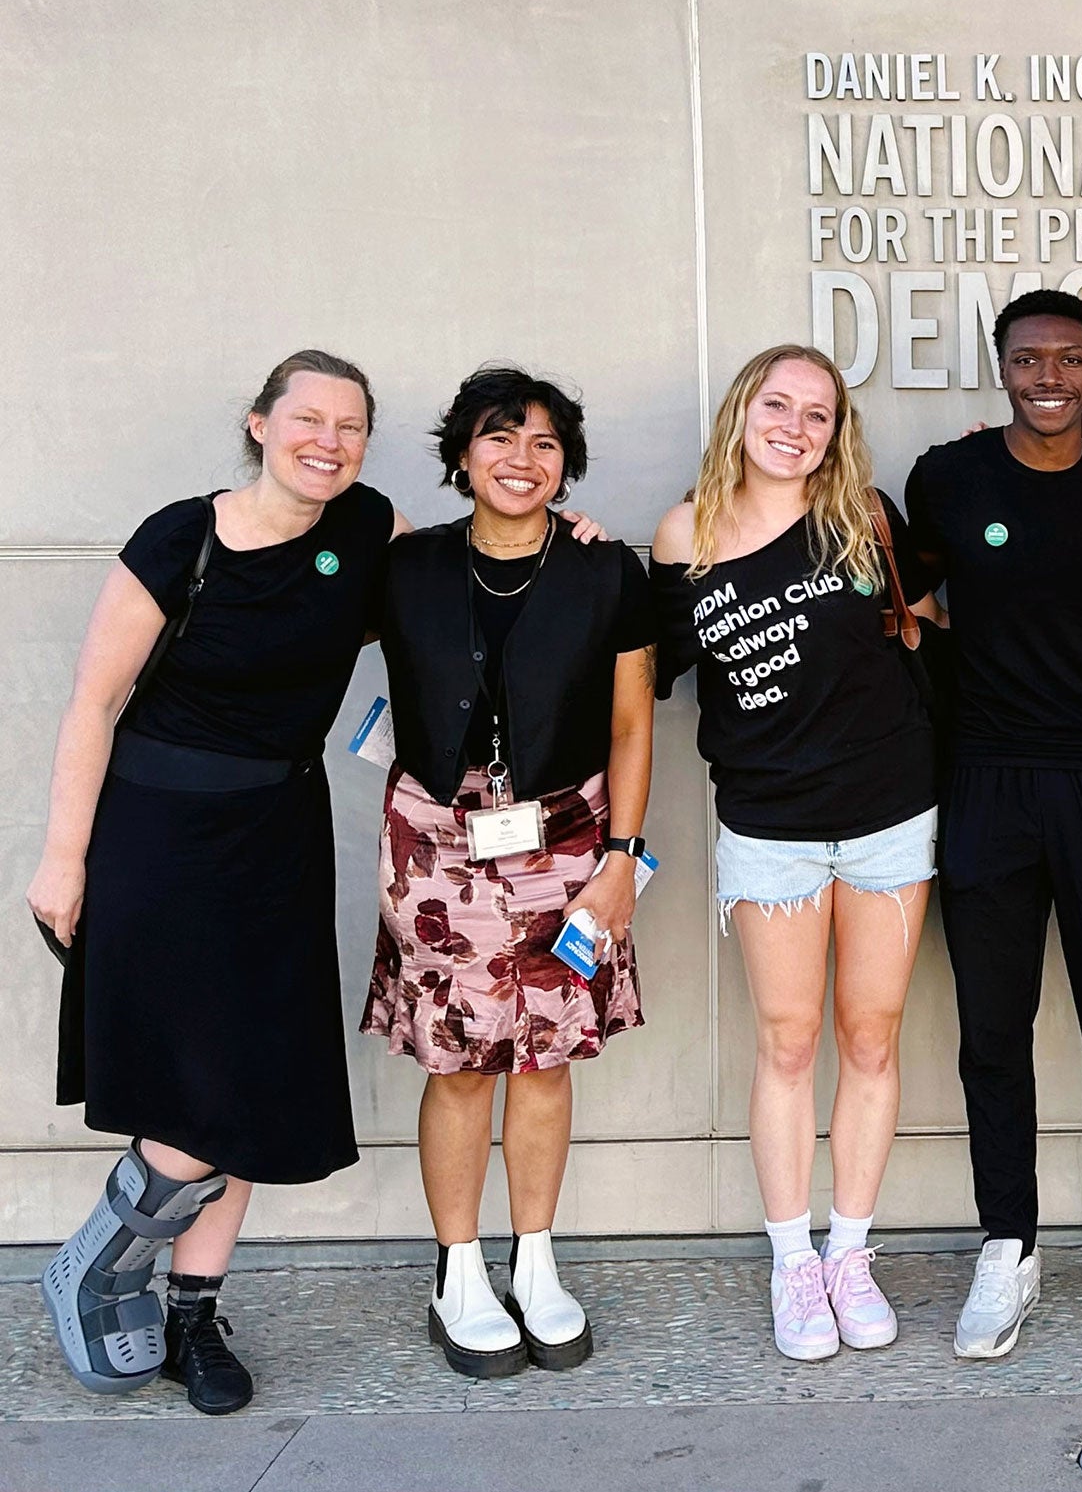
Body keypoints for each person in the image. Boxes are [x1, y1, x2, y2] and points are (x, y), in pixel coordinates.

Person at [32, 351, 399, 1415]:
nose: (327, 440)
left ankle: (193, 1311)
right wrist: (63, 858)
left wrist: (574, 545)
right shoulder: (180, 537)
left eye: (350, 426)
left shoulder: (363, 528)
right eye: (307, 419)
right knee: (194, 1082)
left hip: (275, 831)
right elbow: (94, 702)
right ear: (259, 423)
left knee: (241, 1079)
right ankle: (97, 1266)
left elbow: (454, 574)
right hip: (156, 829)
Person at [364, 367, 657, 1378]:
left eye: (542, 442)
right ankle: (458, 1269)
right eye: (498, 437)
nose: (519, 458)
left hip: (568, 835)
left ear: (564, 463)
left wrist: (621, 857)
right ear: (459, 456)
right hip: (435, 842)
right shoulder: (401, 566)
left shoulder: (608, 569)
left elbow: (631, 721)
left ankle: (535, 1261)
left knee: (542, 1058)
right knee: (458, 1065)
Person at [652, 345, 937, 1362]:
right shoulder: (685, 533)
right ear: (741, 411)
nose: (796, 426)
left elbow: (929, 617)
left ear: (836, 431)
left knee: (870, 1036)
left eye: (818, 413)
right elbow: (642, 664)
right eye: (778, 404)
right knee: (786, 1041)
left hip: (891, 814)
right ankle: (791, 1262)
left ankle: (850, 1252)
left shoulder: (862, 517)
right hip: (767, 823)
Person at [902, 289, 1082, 1359]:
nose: (1047, 376)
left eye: (1067, 359)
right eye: (1028, 360)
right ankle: (1005, 1244)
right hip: (989, 779)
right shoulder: (948, 479)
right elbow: (911, 603)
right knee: (991, 1032)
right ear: (1002, 369)